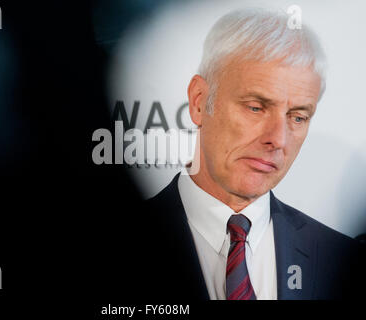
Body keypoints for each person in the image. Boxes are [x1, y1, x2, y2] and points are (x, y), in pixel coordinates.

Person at [142, 8, 365, 300]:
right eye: (256, 107)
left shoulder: (346, 261)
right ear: (199, 102)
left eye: (297, 117)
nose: (277, 139)